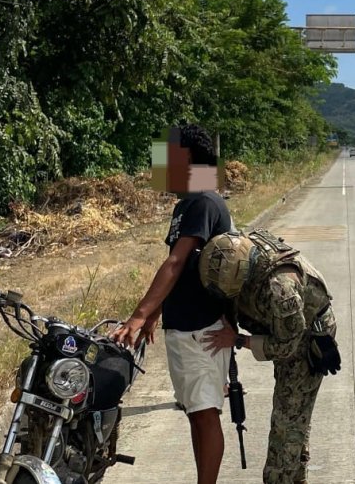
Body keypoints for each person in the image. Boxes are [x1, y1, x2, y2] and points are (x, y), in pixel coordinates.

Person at [114, 124, 233, 484]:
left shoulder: (204, 201)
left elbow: (176, 262)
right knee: (196, 411)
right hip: (185, 326)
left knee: (205, 413)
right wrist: (156, 314)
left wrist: (138, 315)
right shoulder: (188, 203)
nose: (159, 167)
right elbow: (185, 268)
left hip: (202, 328)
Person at [199, 228, 341, 484]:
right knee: (293, 413)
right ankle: (296, 476)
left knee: (286, 424)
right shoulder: (234, 250)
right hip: (285, 328)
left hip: (305, 338)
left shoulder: (281, 289)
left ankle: (281, 477)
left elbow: (286, 346)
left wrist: (238, 340)